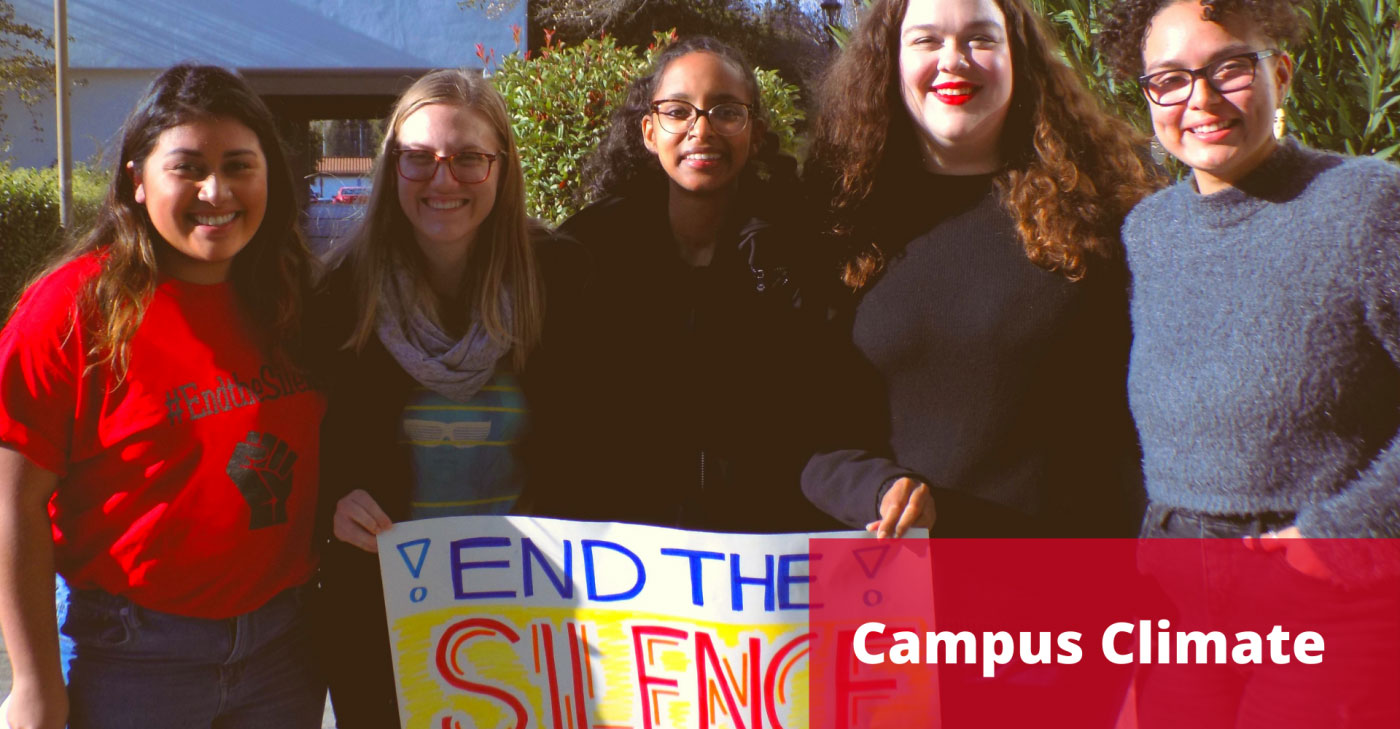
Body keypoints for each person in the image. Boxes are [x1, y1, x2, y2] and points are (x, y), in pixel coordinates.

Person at [1097, 2, 1400, 725]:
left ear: (1281, 73)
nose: (1199, 100)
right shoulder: (1148, 232)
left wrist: (1340, 537)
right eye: (1168, 80)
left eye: (1229, 67)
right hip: (1174, 585)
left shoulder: (1365, 204)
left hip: (1326, 591)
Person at [0, 64, 324, 729]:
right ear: (137, 181)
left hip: (281, 649)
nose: (217, 190)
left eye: (240, 165)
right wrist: (33, 683)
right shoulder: (70, 309)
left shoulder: (292, 295)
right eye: (188, 167)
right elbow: (13, 504)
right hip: (130, 659)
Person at [800, 0, 1164, 539]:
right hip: (902, 593)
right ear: (890, 60)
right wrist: (873, 489)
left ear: (1018, 57)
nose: (954, 60)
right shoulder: (834, 222)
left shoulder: (1105, 212)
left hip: (1074, 588)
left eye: (981, 39)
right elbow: (802, 429)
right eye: (926, 40)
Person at [311, 68, 580, 729]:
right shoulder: (341, 294)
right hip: (384, 620)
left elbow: (602, 438)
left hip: (533, 614)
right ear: (390, 167)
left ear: (502, 167)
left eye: (468, 158)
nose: (444, 179)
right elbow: (299, 441)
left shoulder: (564, 278)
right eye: (419, 159)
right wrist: (329, 502)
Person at [524, 36, 842, 533]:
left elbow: (820, 422)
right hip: (619, 564)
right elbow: (552, 420)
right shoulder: (585, 254)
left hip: (757, 563)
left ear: (755, 132)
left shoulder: (796, 260)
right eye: (678, 111)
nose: (702, 129)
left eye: (726, 111)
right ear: (649, 131)